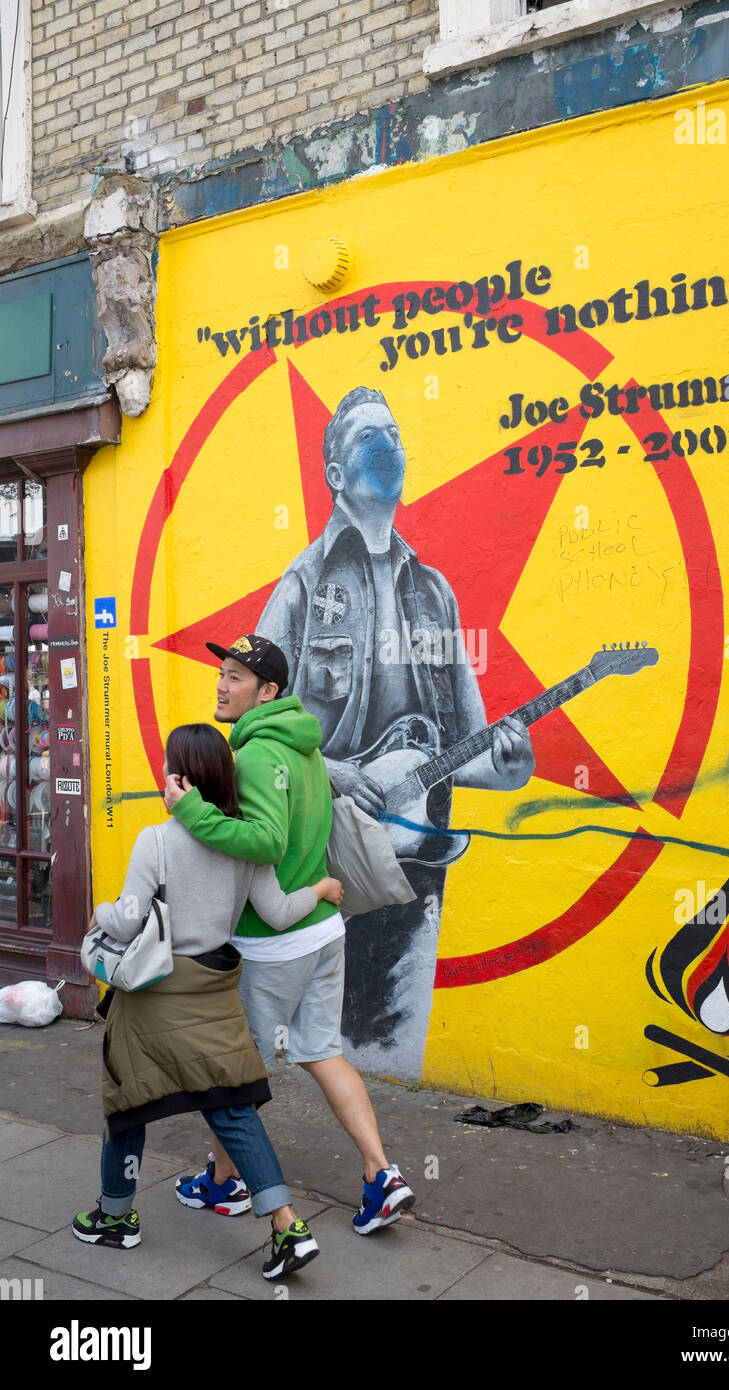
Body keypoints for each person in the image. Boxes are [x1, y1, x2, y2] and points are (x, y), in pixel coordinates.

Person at [256, 386, 535, 1076]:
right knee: (317, 1040)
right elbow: (253, 730)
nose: (387, 446)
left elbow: (464, 746)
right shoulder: (301, 585)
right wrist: (332, 772)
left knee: (395, 1055)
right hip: (324, 857)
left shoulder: (435, 593)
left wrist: (510, 765)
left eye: (396, 433)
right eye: (367, 437)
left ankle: (375, 1157)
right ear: (335, 473)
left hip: (418, 864)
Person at [165, 633, 415, 1235]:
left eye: (235, 677)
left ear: (267, 691)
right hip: (322, 928)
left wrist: (190, 811)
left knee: (235, 1072)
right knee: (322, 1053)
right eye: (221, 673)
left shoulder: (254, 756)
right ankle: (382, 1176)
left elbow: (267, 843)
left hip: (272, 941)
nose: (221, 686)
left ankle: (227, 1186)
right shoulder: (305, 748)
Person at [74, 722, 344, 1279]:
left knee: (129, 1102)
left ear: (179, 777)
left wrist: (99, 913)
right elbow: (276, 914)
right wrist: (319, 890)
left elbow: (127, 919)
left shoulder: (156, 840)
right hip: (215, 991)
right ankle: (287, 1226)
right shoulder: (243, 843)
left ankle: (116, 1216)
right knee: (233, 1108)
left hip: (155, 996)